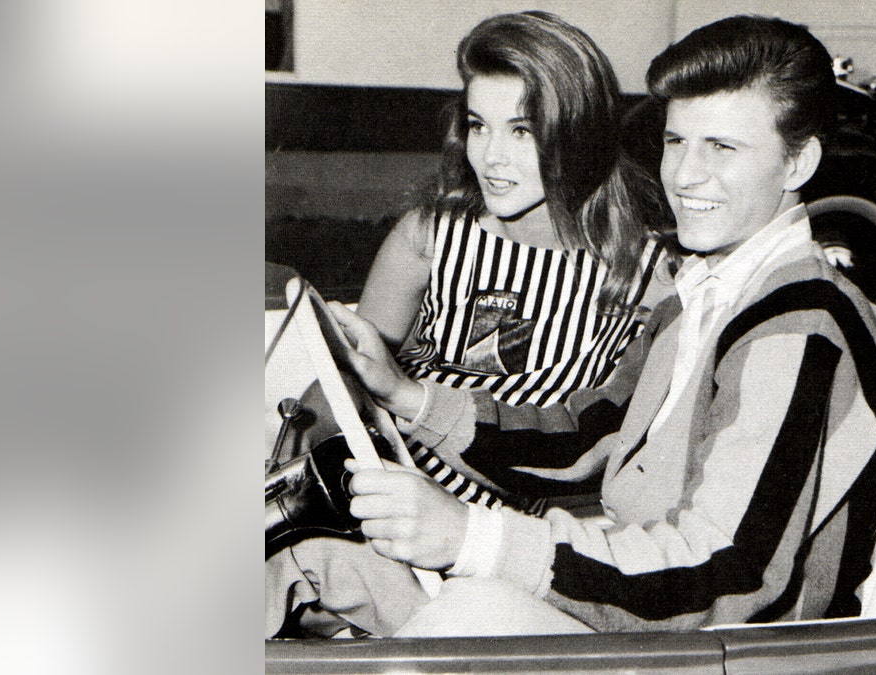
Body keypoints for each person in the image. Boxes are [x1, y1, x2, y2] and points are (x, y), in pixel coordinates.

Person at [330, 15, 876, 635]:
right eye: (677, 142)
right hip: (636, 595)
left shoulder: (799, 326)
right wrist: (404, 394)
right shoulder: (697, 298)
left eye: (723, 147)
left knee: (464, 612)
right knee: (319, 563)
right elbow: (583, 440)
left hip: (717, 645)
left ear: (799, 164)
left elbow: (729, 574)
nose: (684, 176)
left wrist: (472, 538)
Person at [266, 10, 674, 638]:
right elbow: (340, 391)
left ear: (579, 135)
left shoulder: (640, 274)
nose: (492, 158)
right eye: (479, 127)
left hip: (487, 551)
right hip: (370, 503)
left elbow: (600, 458)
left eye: (522, 131)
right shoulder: (430, 233)